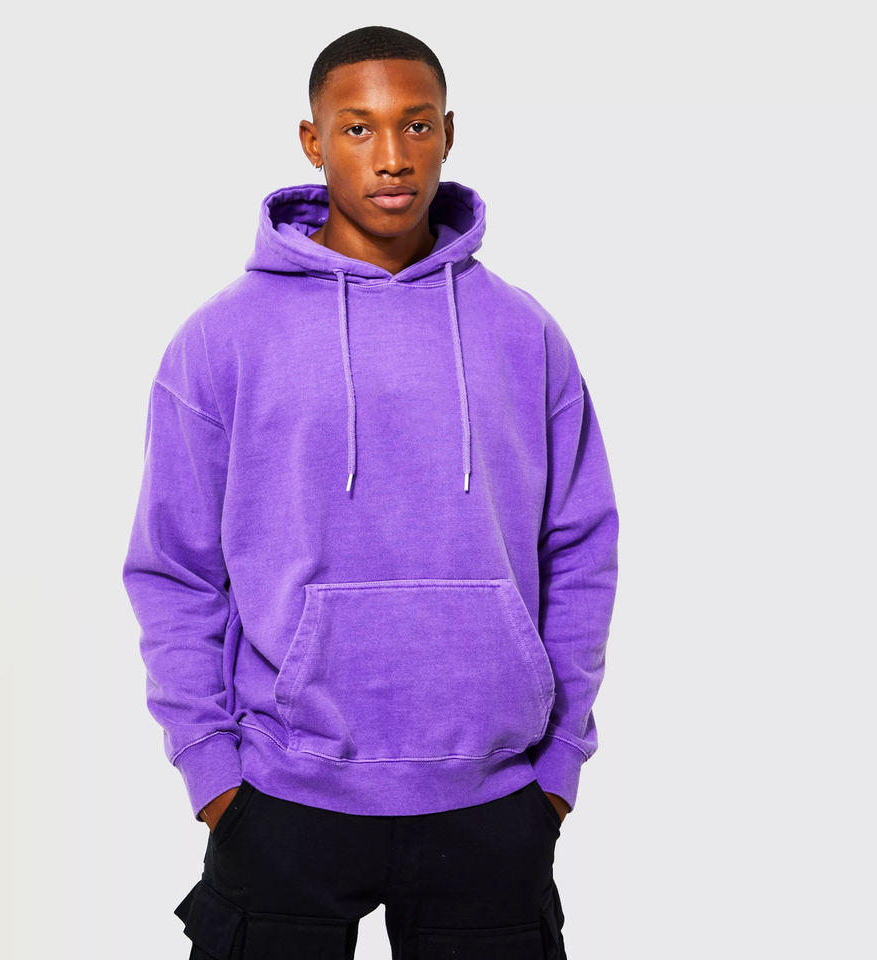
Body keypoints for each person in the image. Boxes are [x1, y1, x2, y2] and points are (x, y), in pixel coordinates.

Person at [122, 24, 619, 960]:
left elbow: (581, 547)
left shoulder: (524, 334)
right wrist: (211, 772)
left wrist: (558, 764)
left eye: (416, 124)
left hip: (493, 799)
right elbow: (174, 567)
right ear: (313, 142)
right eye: (358, 128)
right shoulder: (223, 340)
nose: (392, 156)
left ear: (448, 133)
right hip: (284, 794)